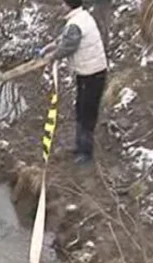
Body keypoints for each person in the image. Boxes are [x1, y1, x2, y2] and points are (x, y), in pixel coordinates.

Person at [38, 0, 108, 166]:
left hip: (93, 74)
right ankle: (80, 146)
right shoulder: (81, 17)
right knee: (80, 109)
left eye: (63, 3)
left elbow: (68, 47)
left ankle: (86, 153)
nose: (61, 6)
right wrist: (50, 46)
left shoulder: (76, 24)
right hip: (87, 73)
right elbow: (66, 38)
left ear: (69, 5)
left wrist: (51, 57)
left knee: (87, 113)